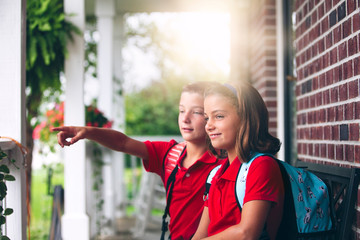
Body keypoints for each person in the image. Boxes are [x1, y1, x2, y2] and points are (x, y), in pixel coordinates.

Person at [53, 82, 223, 240]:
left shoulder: (223, 163)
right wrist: (88, 132)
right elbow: (123, 142)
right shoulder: (169, 154)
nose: (185, 118)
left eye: (196, 112)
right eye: (181, 110)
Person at [192, 81, 284, 240]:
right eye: (207, 118)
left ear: (245, 118)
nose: (208, 126)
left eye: (219, 116)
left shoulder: (262, 166)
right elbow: (201, 234)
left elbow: (246, 234)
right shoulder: (215, 174)